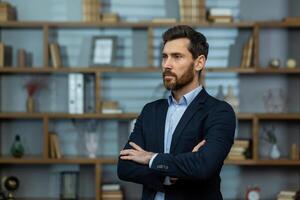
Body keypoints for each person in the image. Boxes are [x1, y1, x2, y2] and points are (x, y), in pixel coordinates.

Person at [117, 25, 236, 200]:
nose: (167, 64)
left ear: (199, 62)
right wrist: (173, 172)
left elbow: (204, 166)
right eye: (164, 57)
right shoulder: (150, 111)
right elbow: (125, 167)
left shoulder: (219, 112)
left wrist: (150, 159)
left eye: (177, 57)